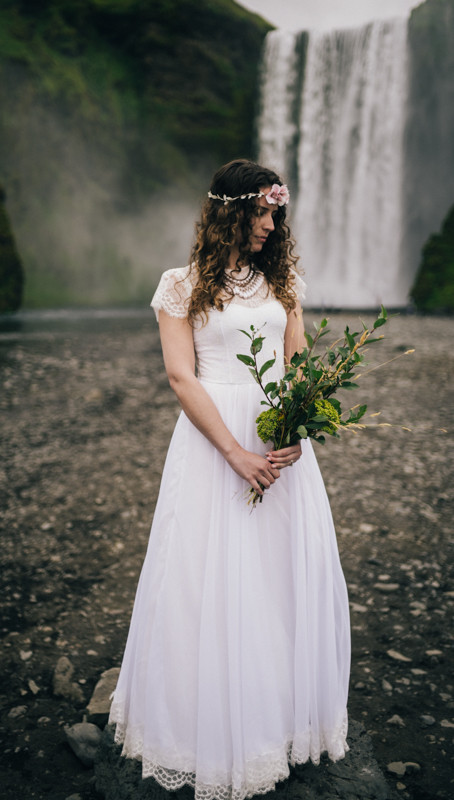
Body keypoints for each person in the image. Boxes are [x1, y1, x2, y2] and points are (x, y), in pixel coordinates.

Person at [109, 159, 350, 800]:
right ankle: (201, 727)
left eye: (277, 214)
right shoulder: (180, 286)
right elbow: (182, 377)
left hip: (278, 442)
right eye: (263, 212)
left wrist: (295, 424)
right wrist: (235, 452)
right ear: (230, 212)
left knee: (276, 577)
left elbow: (297, 359)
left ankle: (275, 718)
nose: (272, 225)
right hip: (214, 441)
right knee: (203, 579)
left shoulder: (283, 281)